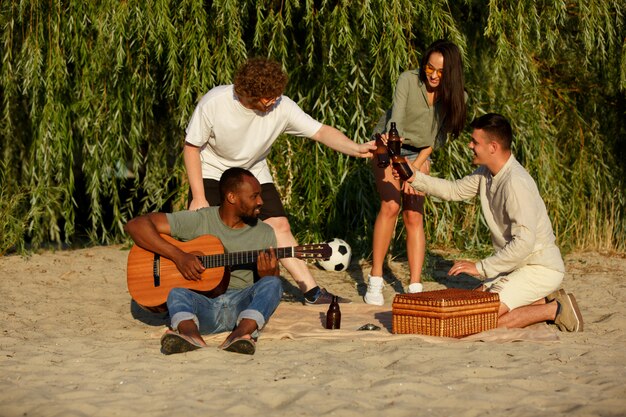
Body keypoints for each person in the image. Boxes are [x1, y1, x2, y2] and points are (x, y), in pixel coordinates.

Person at [183, 57, 376, 305]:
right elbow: (191, 148)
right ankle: (199, 294)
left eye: (276, 94)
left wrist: (356, 148)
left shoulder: (282, 106)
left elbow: (320, 131)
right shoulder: (215, 102)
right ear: (248, 94)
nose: (273, 100)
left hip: (253, 172)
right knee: (208, 238)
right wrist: (198, 197)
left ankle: (312, 291)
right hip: (212, 170)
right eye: (267, 97)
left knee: (280, 226)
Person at [394, 113, 583, 331]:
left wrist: (480, 267)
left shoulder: (515, 183)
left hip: (539, 267)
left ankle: (554, 308)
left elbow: (524, 243)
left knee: (476, 321)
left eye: (475, 141)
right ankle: (539, 300)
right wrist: (412, 177)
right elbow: (454, 190)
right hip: (514, 267)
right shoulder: (487, 173)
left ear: (492, 147)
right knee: (468, 309)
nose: (469, 145)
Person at [124, 168, 284, 355]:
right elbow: (135, 225)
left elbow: (269, 289)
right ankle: (190, 335)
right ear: (231, 197)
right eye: (254, 196)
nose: (260, 202)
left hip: (240, 308)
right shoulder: (201, 220)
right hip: (203, 307)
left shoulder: (264, 233)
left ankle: (240, 335)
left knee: (273, 284)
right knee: (176, 293)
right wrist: (179, 256)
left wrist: (267, 274)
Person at [365, 40, 467, 305]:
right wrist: (398, 163)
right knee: (390, 205)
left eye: (441, 72)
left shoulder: (457, 97)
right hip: (389, 144)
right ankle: (375, 280)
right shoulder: (408, 80)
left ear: (452, 73)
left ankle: (414, 286)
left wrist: (417, 168)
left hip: (420, 153)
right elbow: (395, 120)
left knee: (413, 214)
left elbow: (440, 137)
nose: (433, 75)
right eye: (429, 68)